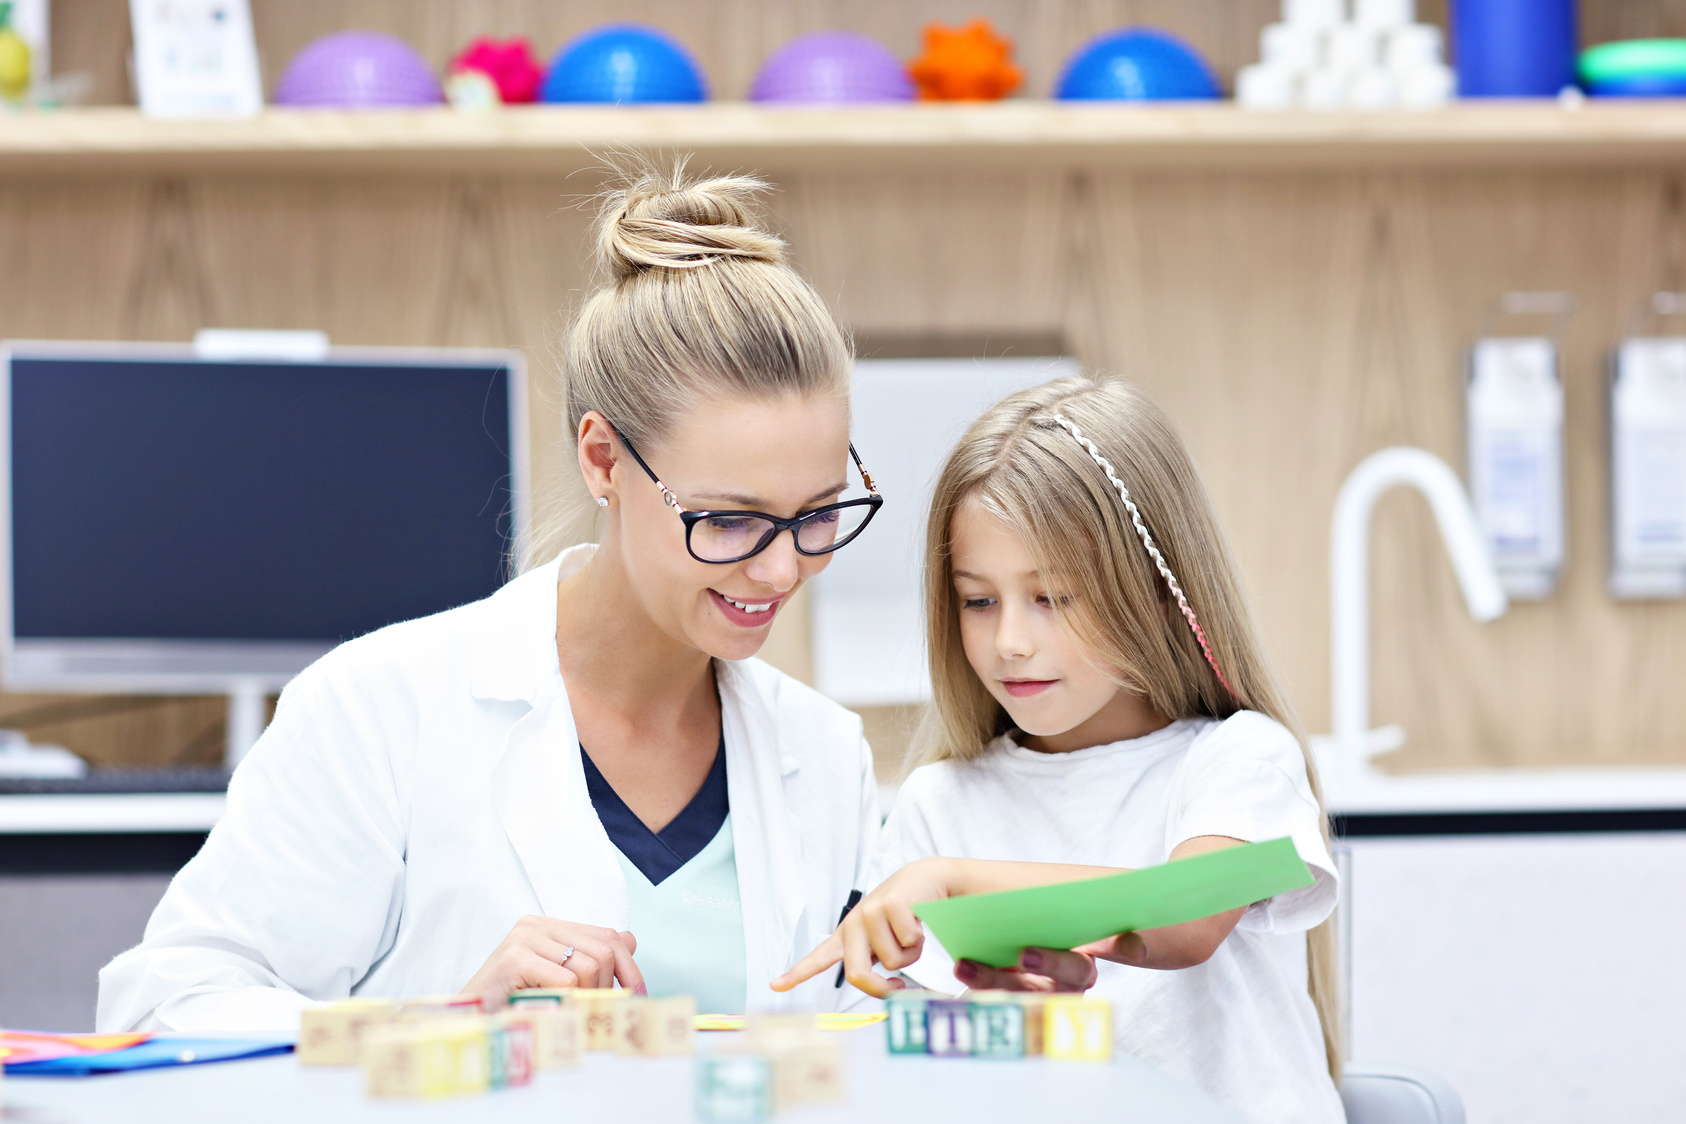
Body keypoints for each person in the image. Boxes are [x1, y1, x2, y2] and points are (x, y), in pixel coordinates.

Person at [98, 160, 885, 1031]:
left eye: (817, 515)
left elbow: (856, 1050)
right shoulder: (378, 709)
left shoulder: (823, 753)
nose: (781, 573)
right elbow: (164, 1006)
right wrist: (448, 1021)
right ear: (604, 461)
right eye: (729, 522)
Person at [774, 375, 1344, 1123]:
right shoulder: (939, 805)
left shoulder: (1239, 760)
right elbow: (916, 1073)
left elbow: (1183, 918)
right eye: (979, 601)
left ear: (1157, 589)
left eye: (1054, 598)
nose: (1010, 641)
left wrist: (949, 879)